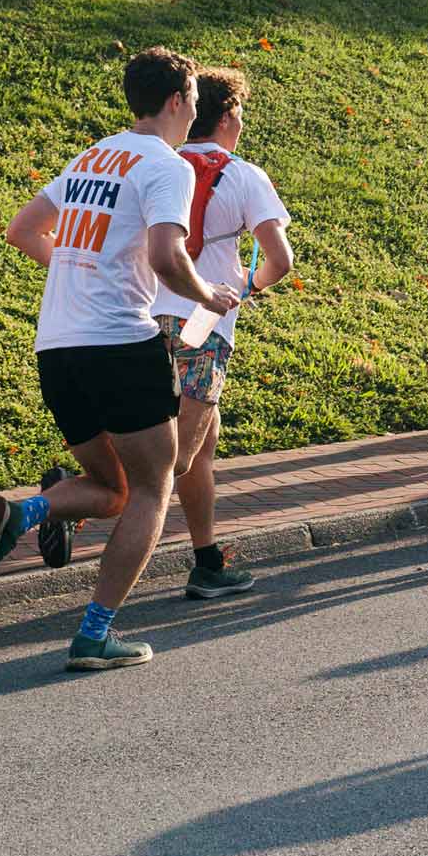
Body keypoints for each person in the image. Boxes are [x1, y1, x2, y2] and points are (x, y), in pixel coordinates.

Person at [0, 48, 239, 671]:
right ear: (175, 101)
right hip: (119, 342)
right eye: (191, 98)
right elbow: (166, 256)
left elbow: (23, 229)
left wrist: (84, 272)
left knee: (112, 489)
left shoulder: (91, 156)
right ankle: (94, 634)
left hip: (57, 347)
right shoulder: (168, 165)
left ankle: (22, 513)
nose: (194, 110)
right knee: (154, 487)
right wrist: (206, 294)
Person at [131, 66, 294, 598]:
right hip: (205, 326)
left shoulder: (163, 165)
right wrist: (245, 286)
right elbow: (280, 259)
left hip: (144, 320)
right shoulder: (245, 175)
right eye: (241, 112)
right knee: (173, 457)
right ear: (226, 117)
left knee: (200, 445)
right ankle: (71, 499)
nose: (243, 123)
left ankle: (206, 560)